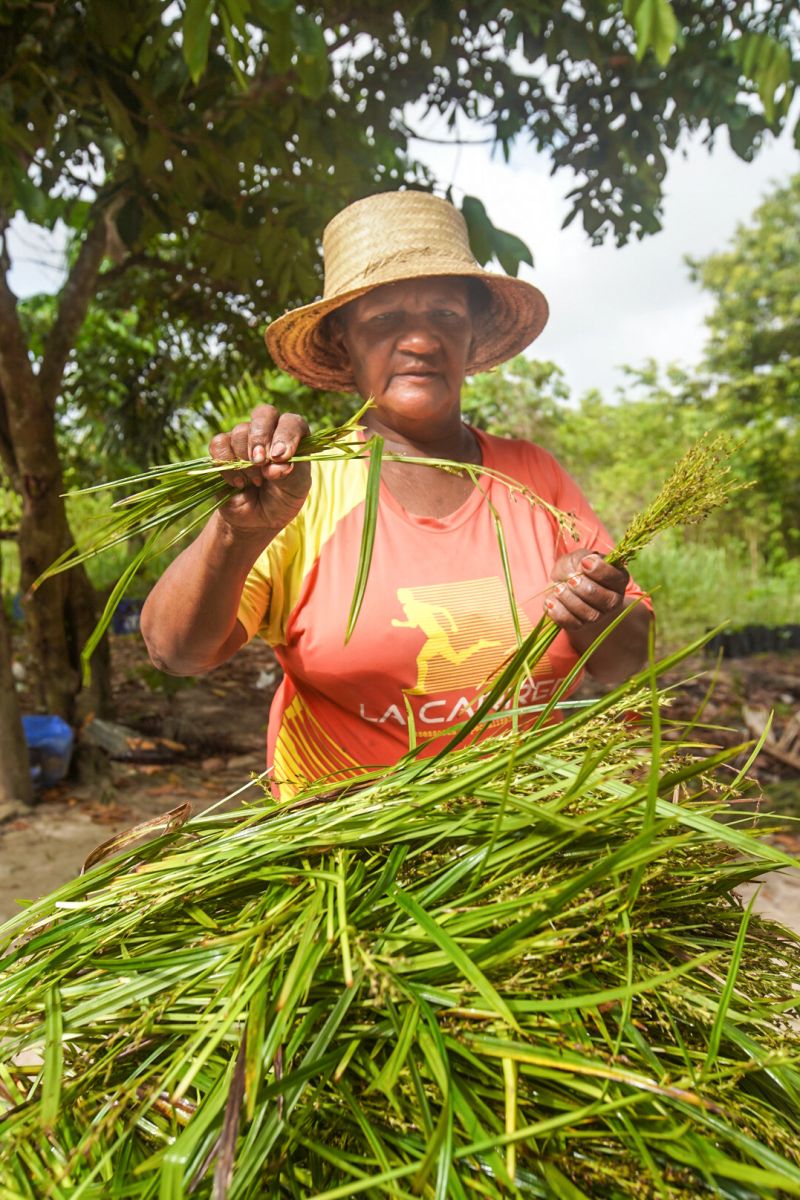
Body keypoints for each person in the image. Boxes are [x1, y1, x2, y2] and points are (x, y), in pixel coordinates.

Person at [141, 191, 653, 798]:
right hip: (345, 857)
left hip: (517, 845)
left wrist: (597, 610)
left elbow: (628, 660)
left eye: (446, 316)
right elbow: (174, 650)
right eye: (385, 319)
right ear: (341, 342)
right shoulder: (298, 483)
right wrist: (238, 531)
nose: (421, 342)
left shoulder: (533, 477)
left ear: (471, 334)